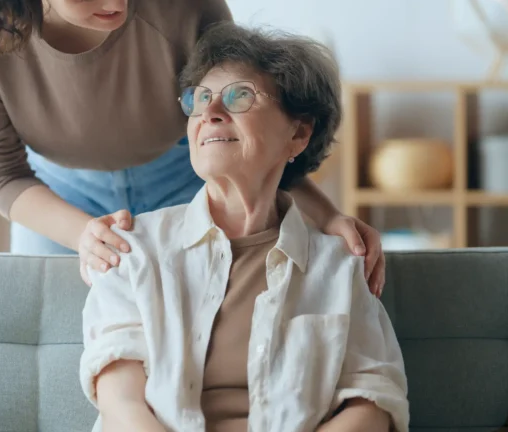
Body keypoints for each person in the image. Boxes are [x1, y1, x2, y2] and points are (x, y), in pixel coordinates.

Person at [79, 22, 409, 432]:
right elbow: (120, 399)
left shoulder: (339, 264)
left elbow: (374, 397)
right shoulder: (132, 248)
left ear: (299, 133)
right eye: (200, 99)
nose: (210, 113)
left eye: (239, 96)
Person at [0, 0, 386, 296]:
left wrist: (327, 215)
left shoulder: (187, 6)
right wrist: (83, 236)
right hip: (55, 198)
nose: (117, 3)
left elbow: (251, 129)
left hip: (191, 179)